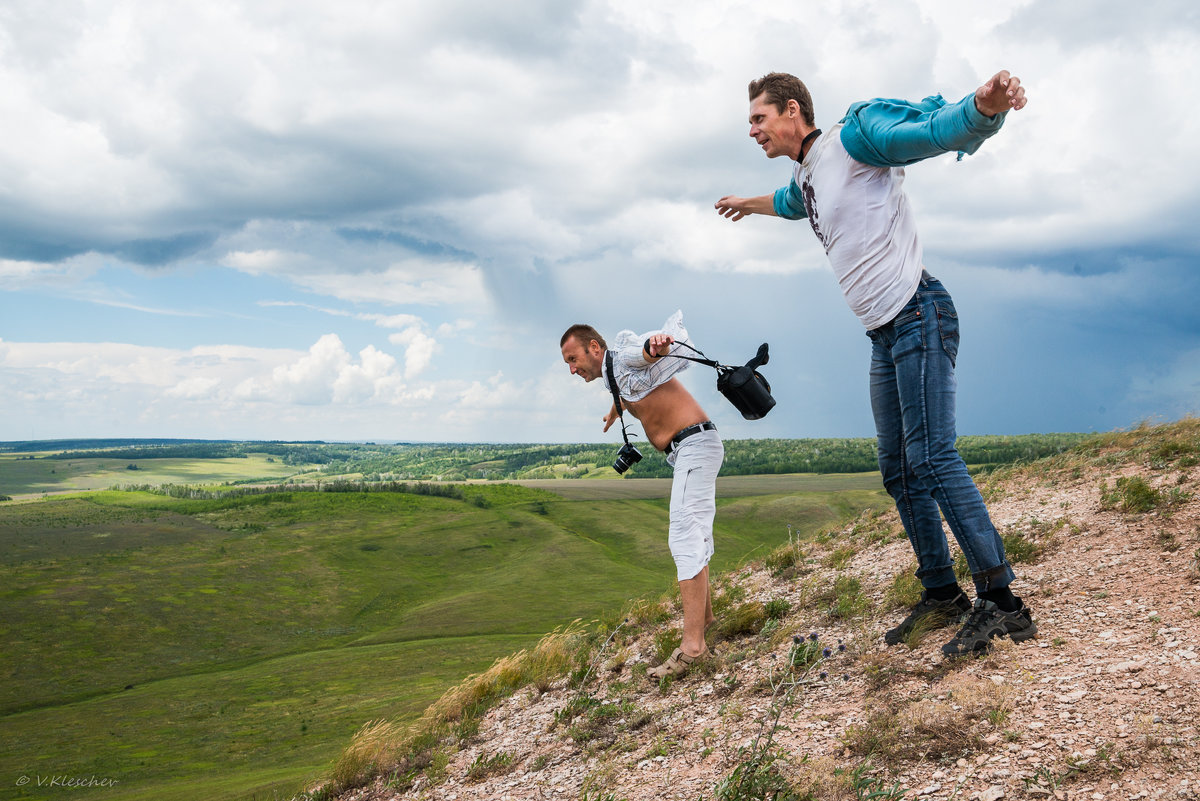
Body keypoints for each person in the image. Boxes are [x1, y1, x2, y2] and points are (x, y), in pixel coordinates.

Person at [714, 71, 1037, 656]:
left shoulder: (854, 139)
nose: (753, 131)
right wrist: (748, 205)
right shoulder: (807, 173)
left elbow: (930, 132)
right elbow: (792, 203)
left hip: (918, 312)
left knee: (933, 457)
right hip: (883, 335)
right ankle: (942, 592)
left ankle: (1003, 602)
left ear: (792, 111)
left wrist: (982, 110)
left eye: (759, 119)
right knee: (898, 468)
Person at [560, 311, 724, 678]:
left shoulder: (622, 353)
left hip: (694, 445)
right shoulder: (614, 375)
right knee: (694, 533)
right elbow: (631, 381)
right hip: (693, 446)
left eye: (573, 360)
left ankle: (694, 648)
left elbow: (642, 353)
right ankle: (707, 620)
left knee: (683, 536)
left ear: (593, 347)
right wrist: (617, 409)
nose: (572, 369)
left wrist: (655, 346)